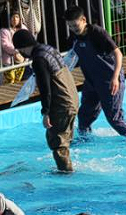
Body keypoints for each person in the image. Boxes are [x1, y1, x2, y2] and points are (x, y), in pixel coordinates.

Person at [65, 5, 126, 139]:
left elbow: (118, 54)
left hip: (109, 81)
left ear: (84, 20)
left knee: (114, 119)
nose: (73, 29)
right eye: (70, 26)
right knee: (84, 117)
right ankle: (84, 142)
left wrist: (115, 77)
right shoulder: (75, 38)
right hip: (92, 83)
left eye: (75, 25)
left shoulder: (97, 33)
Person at [12, 31, 79, 172]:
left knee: (58, 142)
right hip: (72, 98)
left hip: (62, 103)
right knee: (64, 139)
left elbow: (45, 88)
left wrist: (46, 112)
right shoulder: (48, 49)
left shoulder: (38, 59)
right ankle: (67, 168)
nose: (20, 53)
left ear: (23, 47)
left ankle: (66, 174)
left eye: (19, 50)